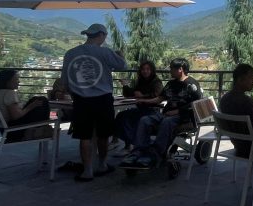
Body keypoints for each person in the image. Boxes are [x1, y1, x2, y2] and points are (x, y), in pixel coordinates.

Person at [61, 23, 128, 182]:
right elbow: (123, 66)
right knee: (103, 135)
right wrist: (120, 55)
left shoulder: (70, 53)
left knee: (84, 136)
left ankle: (87, 171)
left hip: (80, 100)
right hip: (102, 99)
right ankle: (102, 165)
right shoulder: (104, 52)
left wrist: (74, 94)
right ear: (101, 35)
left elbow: (65, 80)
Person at [123, 58, 203, 170]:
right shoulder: (171, 83)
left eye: (172, 68)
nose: (170, 71)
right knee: (144, 120)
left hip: (184, 117)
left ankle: (155, 154)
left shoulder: (192, 85)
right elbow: (160, 98)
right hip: (166, 113)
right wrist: (144, 101)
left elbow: (196, 104)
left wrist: (177, 111)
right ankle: (138, 151)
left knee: (166, 122)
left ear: (180, 69)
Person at [218, 63, 253, 159]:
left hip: (239, 146)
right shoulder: (247, 102)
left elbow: (243, 114)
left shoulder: (224, 99)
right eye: (251, 77)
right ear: (240, 79)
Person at [113, 61, 164, 152]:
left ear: (152, 70)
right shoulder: (140, 81)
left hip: (152, 110)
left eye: (148, 69)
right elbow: (131, 93)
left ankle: (134, 145)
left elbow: (157, 95)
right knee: (121, 116)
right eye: (143, 69)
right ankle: (125, 143)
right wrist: (125, 85)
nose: (145, 71)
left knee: (131, 120)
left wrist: (142, 96)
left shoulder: (156, 81)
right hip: (140, 109)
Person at [0, 69, 50, 141]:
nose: (18, 82)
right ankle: (44, 129)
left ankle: (44, 127)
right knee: (43, 100)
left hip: (4, 129)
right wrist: (32, 106)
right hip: (15, 131)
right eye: (16, 79)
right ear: (8, 81)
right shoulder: (9, 93)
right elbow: (16, 116)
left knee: (36, 99)